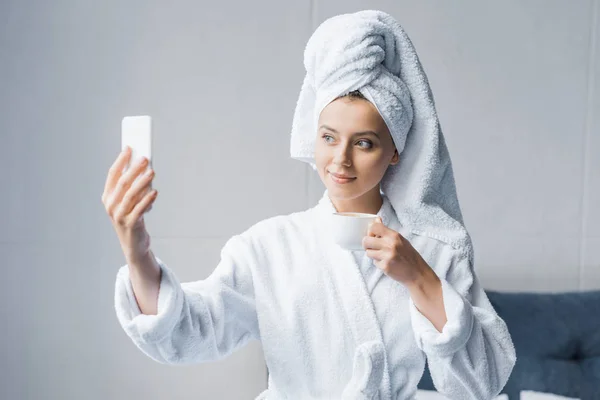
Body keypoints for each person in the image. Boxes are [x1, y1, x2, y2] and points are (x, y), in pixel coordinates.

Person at [102, 10, 516, 400]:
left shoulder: (433, 250)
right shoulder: (269, 247)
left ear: (395, 151)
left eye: (365, 142)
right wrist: (137, 255)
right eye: (329, 137)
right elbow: (186, 334)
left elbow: (482, 386)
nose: (341, 159)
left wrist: (420, 278)